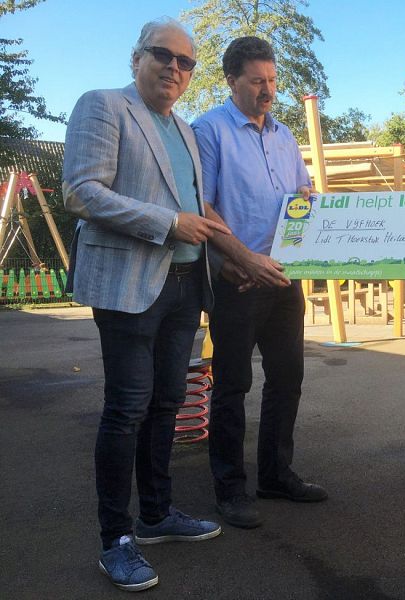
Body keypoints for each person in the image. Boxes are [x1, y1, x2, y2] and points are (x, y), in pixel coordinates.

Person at [63, 18, 230, 592]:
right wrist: (169, 222)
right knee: (127, 407)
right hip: (130, 284)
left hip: (185, 284)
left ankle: (155, 515)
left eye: (186, 62)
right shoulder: (104, 105)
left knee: (166, 403)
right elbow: (82, 192)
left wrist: (212, 237)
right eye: (164, 55)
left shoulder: (183, 128)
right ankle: (116, 539)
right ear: (137, 57)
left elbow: (190, 202)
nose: (175, 69)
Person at [192, 36, 327, 530]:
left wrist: (310, 201)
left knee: (287, 378)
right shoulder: (209, 130)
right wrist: (243, 259)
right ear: (231, 80)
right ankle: (229, 488)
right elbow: (201, 204)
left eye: (272, 80)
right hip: (239, 279)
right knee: (232, 385)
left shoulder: (285, 135)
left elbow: (302, 194)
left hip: (283, 276)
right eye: (256, 81)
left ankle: (275, 474)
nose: (267, 90)